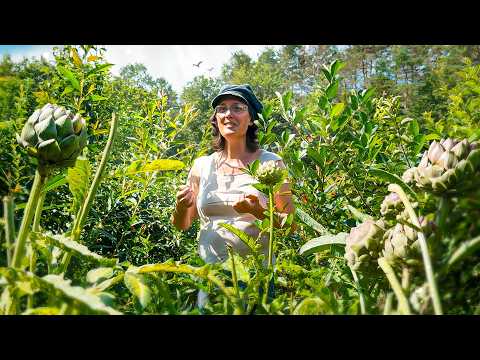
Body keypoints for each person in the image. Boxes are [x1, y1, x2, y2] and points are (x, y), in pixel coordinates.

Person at [171, 84, 294, 309]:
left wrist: (257, 211)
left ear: (251, 119)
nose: (229, 114)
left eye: (238, 107)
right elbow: (182, 224)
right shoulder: (202, 166)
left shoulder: (272, 163)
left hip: (258, 279)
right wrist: (181, 207)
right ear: (216, 119)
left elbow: (290, 226)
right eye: (222, 108)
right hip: (212, 279)